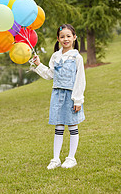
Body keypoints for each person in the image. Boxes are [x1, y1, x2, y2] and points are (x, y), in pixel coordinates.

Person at [32, 24, 86, 169]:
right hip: (57, 95)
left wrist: (78, 100)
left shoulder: (77, 57)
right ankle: (55, 159)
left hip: (71, 95)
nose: (65, 39)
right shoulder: (56, 56)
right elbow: (50, 75)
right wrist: (38, 65)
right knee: (59, 126)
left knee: (72, 125)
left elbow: (80, 79)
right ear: (58, 39)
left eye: (68, 36)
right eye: (62, 37)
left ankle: (71, 158)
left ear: (74, 37)